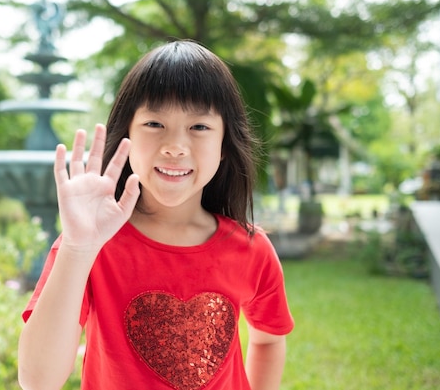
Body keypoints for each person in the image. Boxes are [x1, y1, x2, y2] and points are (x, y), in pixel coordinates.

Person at [18, 40, 294, 390]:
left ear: (225, 145)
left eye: (199, 127)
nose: (175, 145)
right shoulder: (89, 245)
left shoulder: (252, 249)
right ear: (126, 135)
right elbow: (37, 381)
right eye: (154, 123)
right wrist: (77, 249)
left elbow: (269, 339)